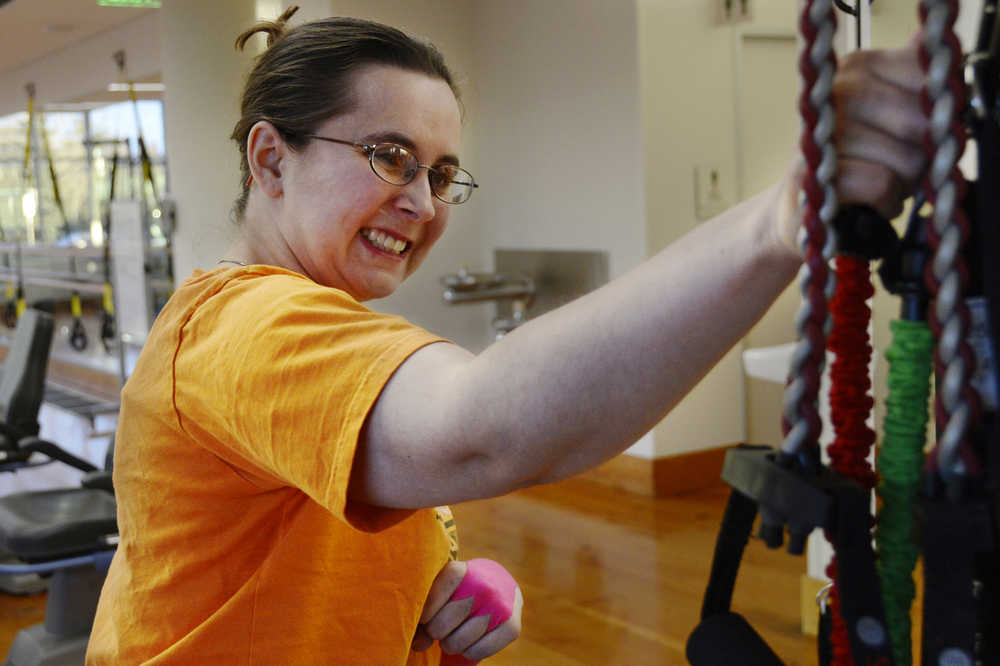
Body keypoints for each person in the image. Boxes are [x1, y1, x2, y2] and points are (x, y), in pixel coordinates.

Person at [86, 6, 928, 665]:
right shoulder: (244, 326)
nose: (423, 200)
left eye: (442, 173)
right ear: (271, 161)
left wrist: (442, 585)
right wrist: (780, 221)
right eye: (389, 155)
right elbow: (482, 432)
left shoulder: (306, 325)